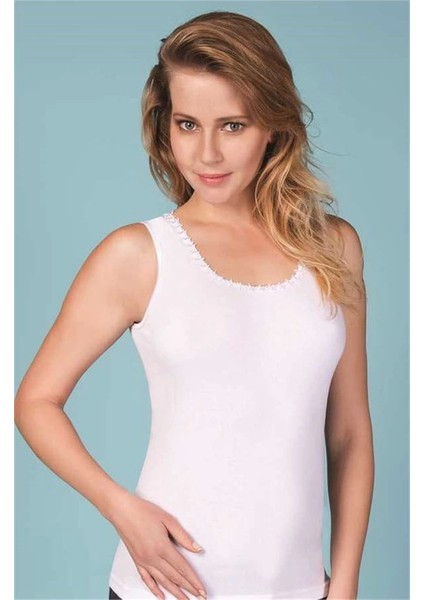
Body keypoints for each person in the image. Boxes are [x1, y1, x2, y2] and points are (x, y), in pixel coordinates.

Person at [14, 10, 374, 600]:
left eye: (232, 125)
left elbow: (350, 431)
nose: (207, 153)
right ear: (166, 127)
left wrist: (347, 582)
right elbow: (35, 401)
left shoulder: (334, 248)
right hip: (165, 588)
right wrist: (123, 510)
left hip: (301, 589)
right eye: (187, 124)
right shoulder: (139, 254)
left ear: (273, 126)